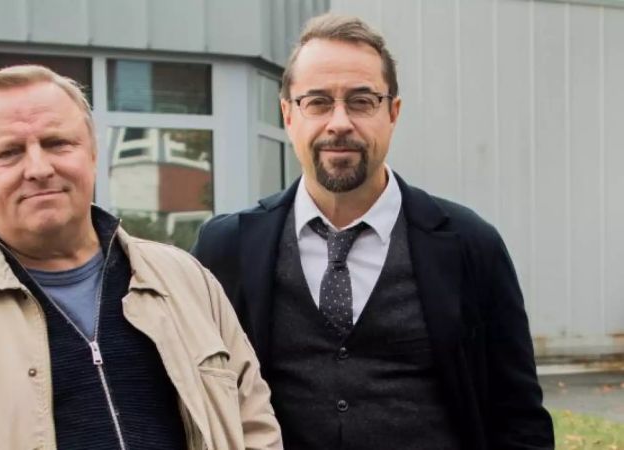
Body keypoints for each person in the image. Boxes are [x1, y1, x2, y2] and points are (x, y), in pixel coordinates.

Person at [0, 65, 282, 450]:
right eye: (9, 153)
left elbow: (253, 425)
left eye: (57, 143)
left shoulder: (185, 281)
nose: (39, 168)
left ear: (91, 153)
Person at [192, 13, 553, 450]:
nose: (339, 122)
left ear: (393, 112)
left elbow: (519, 420)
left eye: (362, 101)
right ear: (288, 114)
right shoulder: (227, 248)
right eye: (318, 102)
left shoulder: (470, 246)